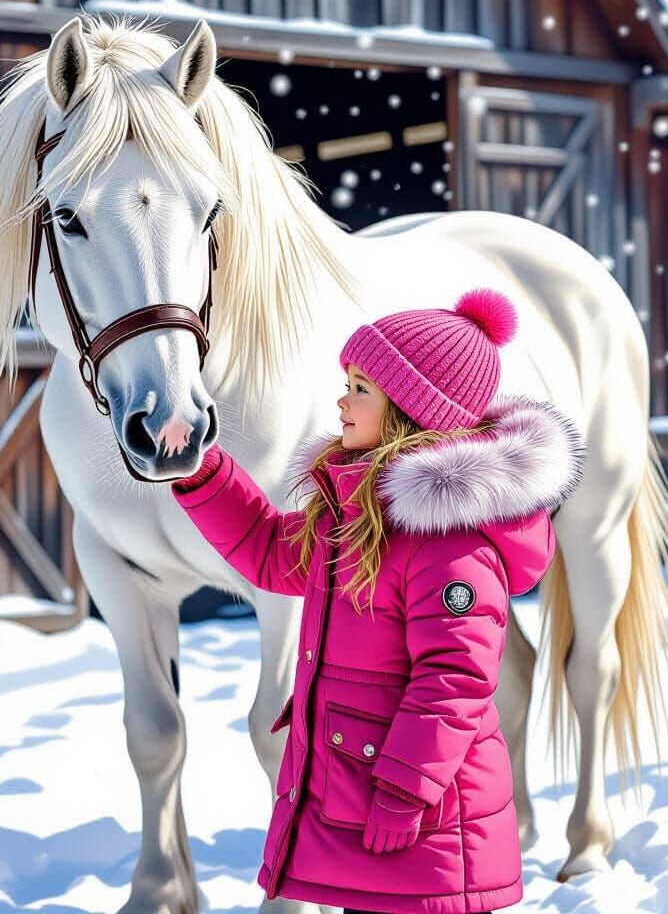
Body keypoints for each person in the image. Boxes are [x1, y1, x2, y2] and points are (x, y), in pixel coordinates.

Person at [168, 288, 585, 914]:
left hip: (430, 823)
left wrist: (405, 790)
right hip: (363, 801)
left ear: (411, 412)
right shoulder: (359, 514)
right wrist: (201, 472)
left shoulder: (450, 540)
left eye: (361, 387)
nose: (341, 399)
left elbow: (455, 676)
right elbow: (268, 550)